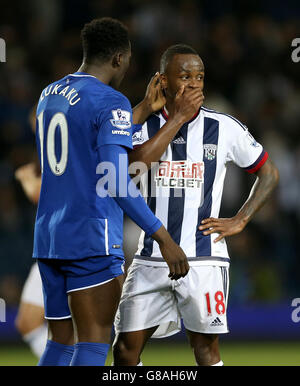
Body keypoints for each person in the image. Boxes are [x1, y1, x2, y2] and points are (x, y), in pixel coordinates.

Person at [33, 19, 203, 367]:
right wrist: (163, 238)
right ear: (119, 59)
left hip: (50, 237)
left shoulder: (49, 94)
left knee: (61, 341)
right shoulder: (111, 100)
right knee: (95, 342)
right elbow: (115, 178)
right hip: (90, 236)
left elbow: (86, 143)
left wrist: (139, 111)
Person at [112, 44, 280, 366]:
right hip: (151, 258)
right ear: (163, 81)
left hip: (204, 259)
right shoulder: (143, 126)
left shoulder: (224, 127)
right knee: (124, 351)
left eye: (199, 77)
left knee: (205, 351)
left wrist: (241, 219)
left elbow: (269, 173)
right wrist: (174, 119)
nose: (194, 84)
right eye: (185, 76)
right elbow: (129, 172)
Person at [14, 161, 46, 359]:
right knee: (27, 323)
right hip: (51, 253)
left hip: (63, 254)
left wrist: (26, 178)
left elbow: (40, 194)